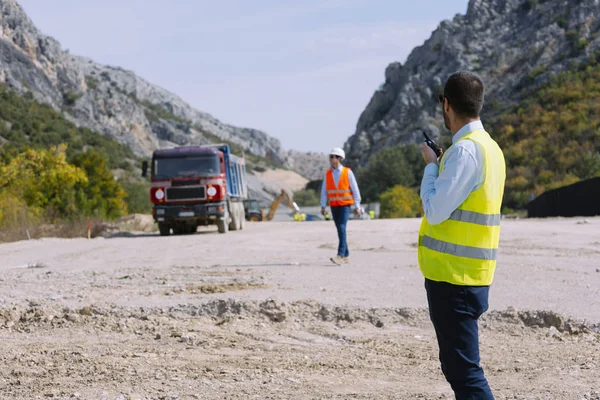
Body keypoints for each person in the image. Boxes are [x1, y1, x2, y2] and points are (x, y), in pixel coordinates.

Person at [418, 71, 506, 399]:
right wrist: (443, 165)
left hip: (455, 280)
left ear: (446, 105)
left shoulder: (466, 151)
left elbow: (435, 209)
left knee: (465, 373)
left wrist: (430, 166)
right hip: (469, 275)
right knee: (461, 369)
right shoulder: (489, 148)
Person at [320, 148, 362, 265]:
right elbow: (324, 191)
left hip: (345, 205)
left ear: (339, 158)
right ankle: (346, 255)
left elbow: (355, 190)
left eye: (333, 156)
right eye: (330, 156)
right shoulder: (328, 174)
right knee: (339, 229)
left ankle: (340, 255)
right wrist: (323, 205)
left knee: (342, 227)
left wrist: (357, 206)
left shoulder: (347, 172)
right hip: (334, 206)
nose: (331, 159)